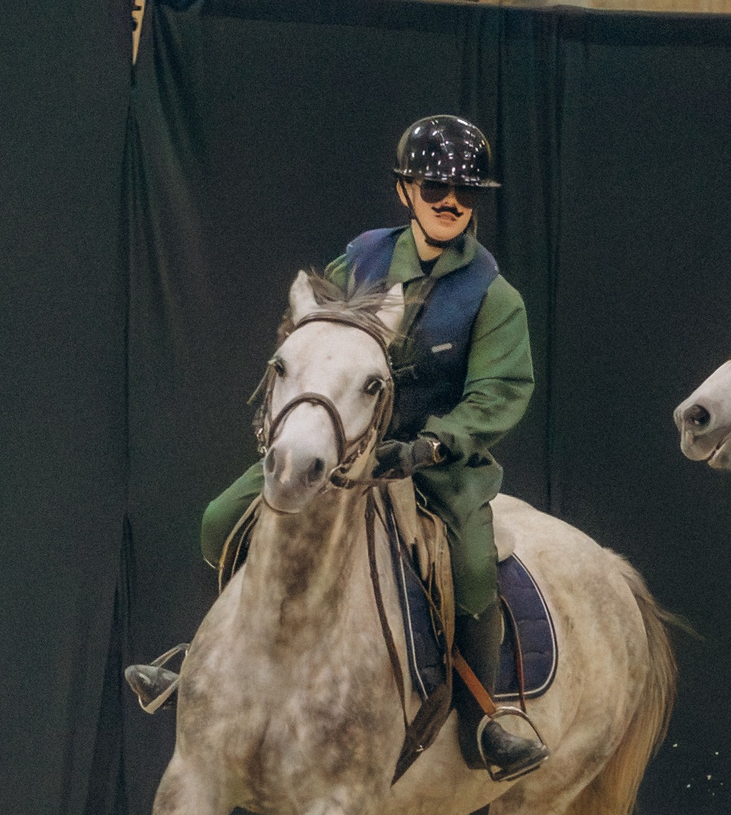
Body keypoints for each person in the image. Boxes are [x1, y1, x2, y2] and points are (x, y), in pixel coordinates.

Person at [132, 114, 547, 781]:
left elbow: (498, 392)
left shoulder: (494, 297)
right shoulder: (358, 261)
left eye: (465, 192)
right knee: (220, 519)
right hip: (339, 445)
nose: (450, 201)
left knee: (472, 566)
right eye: (434, 185)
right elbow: (313, 337)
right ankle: (198, 659)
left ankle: (483, 719)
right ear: (403, 190)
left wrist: (436, 443)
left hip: (430, 464)